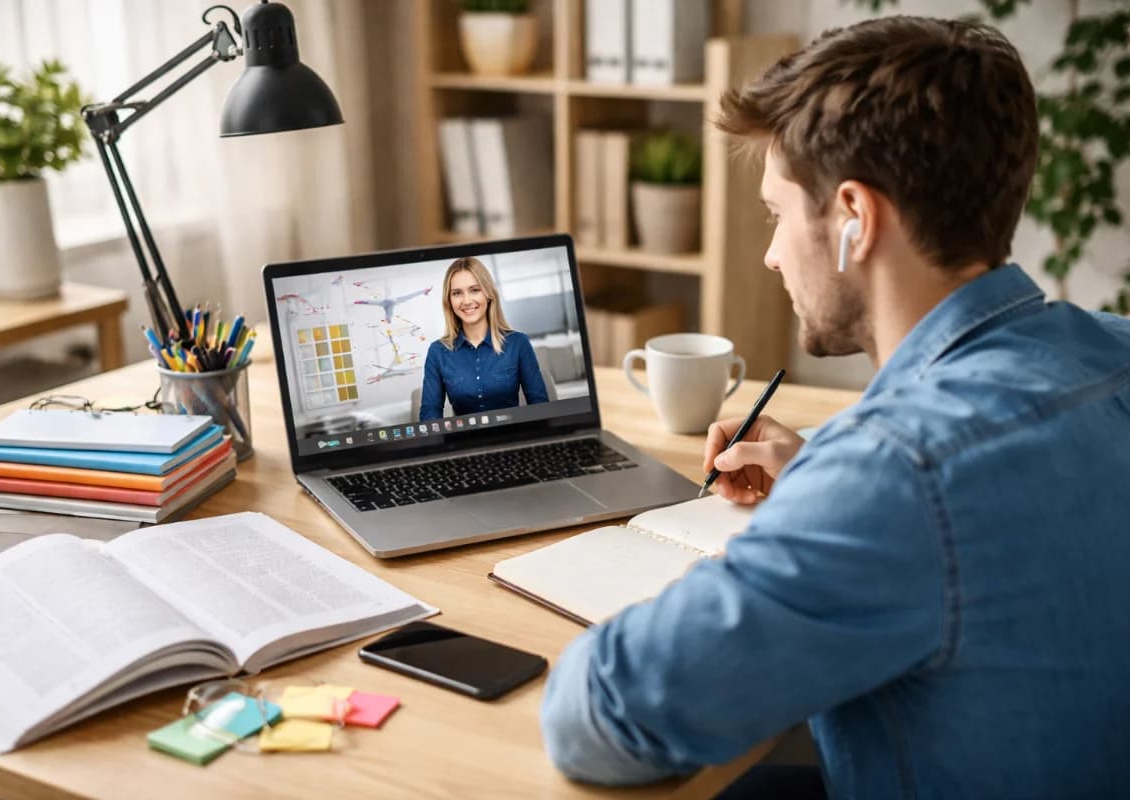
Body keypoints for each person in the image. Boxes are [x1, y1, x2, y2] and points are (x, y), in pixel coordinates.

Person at [539, 15, 1130, 799]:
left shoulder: (897, 474)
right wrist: (820, 465)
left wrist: (822, 507)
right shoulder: (1112, 352)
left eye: (778, 214)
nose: (771, 253)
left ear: (855, 217)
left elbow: (597, 720)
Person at [419, 256, 548, 422]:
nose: (466, 301)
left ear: (488, 294)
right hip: (464, 444)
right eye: (457, 293)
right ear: (449, 301)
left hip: (514, 438)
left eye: (474, 290)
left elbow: (540, 406)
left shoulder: (518, 343)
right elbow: (430, 414)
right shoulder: (437, 352)